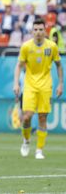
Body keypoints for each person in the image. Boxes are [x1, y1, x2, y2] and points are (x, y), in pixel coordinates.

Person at [13, 18, 63, 160]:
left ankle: (39, 150)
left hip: (46, 86)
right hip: (29, 85)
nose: (38, 32)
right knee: (27, 117)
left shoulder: (52, 46)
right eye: (36, 30)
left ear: (45, 31)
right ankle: (26, 141)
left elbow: (59, 65)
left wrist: (60, 84)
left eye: (41, 29)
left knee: (42, 117)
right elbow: (19, 66)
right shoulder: (26, 47)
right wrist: (16, 83)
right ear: (32, 31)